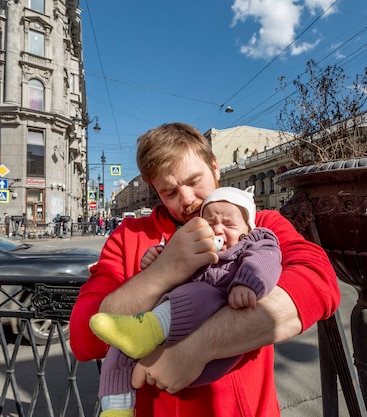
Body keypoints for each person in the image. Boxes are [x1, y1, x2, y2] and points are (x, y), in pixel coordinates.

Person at [69, 122, 340, 417]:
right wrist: (163, 271)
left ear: (215, 167)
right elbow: (84, 337)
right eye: (169, 192)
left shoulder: (256, 223)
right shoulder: (130, 235)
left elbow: (318, 282)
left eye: (195, 180)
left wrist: (196, 349)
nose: (186, 200)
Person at [90, 187, 282, 417]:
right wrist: (158, 260)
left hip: (212, 345)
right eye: (210, 223)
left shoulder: (255, 240)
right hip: (172, 330)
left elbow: (266, 261)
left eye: (229, 225)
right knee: (118, 352)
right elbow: (84, 341)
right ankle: (115, 411)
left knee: (200, 292)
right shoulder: (192, 245)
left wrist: (247, 284)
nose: (218, 229)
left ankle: (147, 329)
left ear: (247, 230)